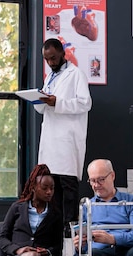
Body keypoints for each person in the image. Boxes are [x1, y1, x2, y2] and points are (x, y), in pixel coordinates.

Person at [36, 38, 92, 235]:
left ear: (63, 54)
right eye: (46, 59)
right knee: (51, 191)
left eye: (53, 58)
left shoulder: (76, 74)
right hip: (51, 141)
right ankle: (55, 237)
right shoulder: (50, 77)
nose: (50, 62)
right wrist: (39, 100)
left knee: (68, 190)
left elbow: (85, 103)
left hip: (67, 140)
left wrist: (57, 102)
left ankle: (70, 235)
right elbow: (46, 106)